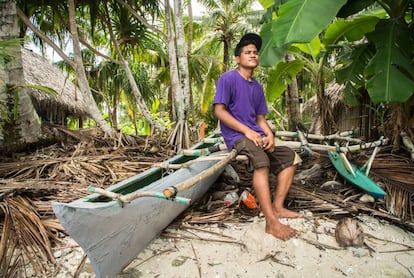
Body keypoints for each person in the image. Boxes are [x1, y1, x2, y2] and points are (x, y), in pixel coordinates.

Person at [213, 33, 303, 240]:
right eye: (247, 52)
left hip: (257, 136)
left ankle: (278, 207)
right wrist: (247, 131)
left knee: (291, 157)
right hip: (237, 136)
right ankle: (271, 222)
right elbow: (219, 111)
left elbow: (260, 118)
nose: (252, 55)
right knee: (261, 162)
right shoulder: (228, 78)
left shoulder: (257, 87)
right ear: (237, 58)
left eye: (255, 52)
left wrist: (270, 135)